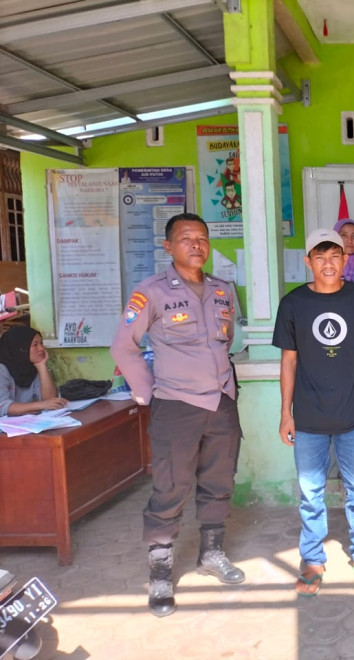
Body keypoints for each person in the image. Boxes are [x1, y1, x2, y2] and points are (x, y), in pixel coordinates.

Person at [110, 212, 244, 617]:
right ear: (168, 246)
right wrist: (148, 393)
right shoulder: (151, 292)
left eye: (202, 238)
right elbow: (124, 347)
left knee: (219, 480)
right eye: (186, 238)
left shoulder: (223, 290)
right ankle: (161, 572)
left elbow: (224, 343)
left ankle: (212, 553)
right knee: (171, 487)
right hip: (175, 405)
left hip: (221, 402)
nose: (196, 245)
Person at [273, 228, 354, 596]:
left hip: (353, 415)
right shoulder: (293, 304)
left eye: (334, 256)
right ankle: (312, 558)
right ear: (308, 261)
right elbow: (289, 361)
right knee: (311, 493)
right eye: (320, 257)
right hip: (308, 417)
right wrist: (285, 412)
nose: (328, 263)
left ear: (345, 259)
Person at [0, 326, 66, 416]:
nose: (41, 348)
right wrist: (41, 405)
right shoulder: (1, 369)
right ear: (21, 348)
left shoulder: (31, 367)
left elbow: (50, 401)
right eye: (35, 345)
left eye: (41, 343)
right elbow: (2, 407)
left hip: (24, 422)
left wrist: (42, 366)